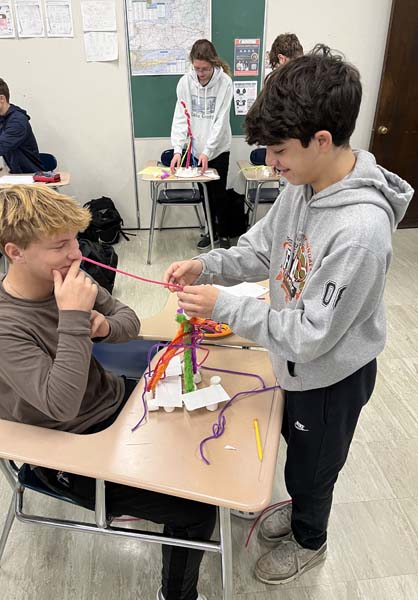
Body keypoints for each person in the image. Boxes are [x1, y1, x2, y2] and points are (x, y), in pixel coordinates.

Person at [163, 45, 413, 585]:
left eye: (278, 151)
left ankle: (311, 539)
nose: (270, 163)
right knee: (295, 450)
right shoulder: (303, 186)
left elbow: (310, 336)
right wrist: (204, 267)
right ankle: (300, 508)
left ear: (322, 141)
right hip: (297, 365)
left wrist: (225, 306)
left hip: (330, 375)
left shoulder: (360, 235)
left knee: (313, 466)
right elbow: (259, 251)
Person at [0, 185, 215, 600]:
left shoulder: (67, 279)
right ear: (15, 252)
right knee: (196, 512)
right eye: (59, 245)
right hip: (65, 446)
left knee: (204, 425)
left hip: (110, 401)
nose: (75, 254)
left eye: (74, 240)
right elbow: (60, 405)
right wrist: (73, 318)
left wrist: (102, 327)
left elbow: (128, 319)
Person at [170, 39, 233, 250]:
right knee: (204, 194)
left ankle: (223, 235)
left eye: (205, 69)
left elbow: (220, 121)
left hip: (219, 148)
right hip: (196, 150)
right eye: (197, 68)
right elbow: (181, 117)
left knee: (219, 194)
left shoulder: (225, 83)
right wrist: (178, 149)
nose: (201, 73)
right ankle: (210, 232)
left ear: (213, 63)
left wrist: (209, 151)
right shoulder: (185, 83)